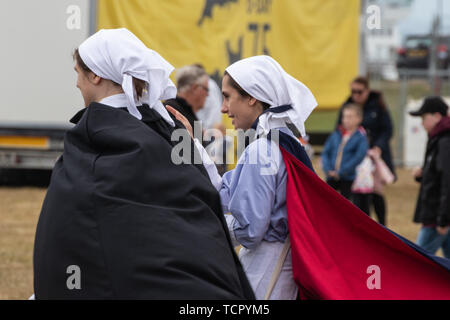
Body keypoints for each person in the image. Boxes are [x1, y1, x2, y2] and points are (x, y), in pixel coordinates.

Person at [32, 28, 254, 299]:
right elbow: (204, 201)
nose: (77, 83)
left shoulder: (96, 138)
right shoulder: (165, 128)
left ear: (95, 75)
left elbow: (72, 232)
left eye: (78, 72)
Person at [169, 55, 317, 299]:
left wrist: (207, 223)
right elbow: (224, 192)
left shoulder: (261, 149)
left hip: (267, 270)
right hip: (281, 266)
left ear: (251, 98)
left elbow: (250, 230)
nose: (223, 108)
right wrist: (191, 144)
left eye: (227, 97)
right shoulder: (283, 141)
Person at [337, 76, 394, 225]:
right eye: (353, 91)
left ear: (367, 90)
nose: (356, 95)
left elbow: (387, 129)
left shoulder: (378, 106)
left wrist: (379, 146)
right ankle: (362, 224)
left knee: (376, 192)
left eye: (359, 91)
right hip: (354, 158)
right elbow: (339, 129)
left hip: (374, 156)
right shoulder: (347, 105)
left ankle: (383, 225)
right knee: (357, 193)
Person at [409, 96, 450, 258]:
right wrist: (424, 174)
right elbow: (438, 175)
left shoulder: (444, 142)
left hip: (436, 218)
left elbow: (447, 181)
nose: (422, 123)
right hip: (440, 214)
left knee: (418, 264)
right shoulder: (438, 139)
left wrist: (443, 218)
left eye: (424, 118)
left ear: (437, 116)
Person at [321, 103, 368, 200]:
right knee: (328, 201)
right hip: (331, 176)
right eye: (344, 117)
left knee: (345, 202)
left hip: (348, 178)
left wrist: (342, 171)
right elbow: (326, 152)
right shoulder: (336, 134)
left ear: (359, 119)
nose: (346, 120)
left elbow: (358, 157)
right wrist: (327, 169)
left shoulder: (360, 137)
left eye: (350, 117)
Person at [165, 64, 210, 131]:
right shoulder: (171, 111)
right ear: (195, 88)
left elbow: (198, 141)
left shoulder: (189, 114)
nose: (208, 94)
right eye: (206, 89)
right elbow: (186, 141)